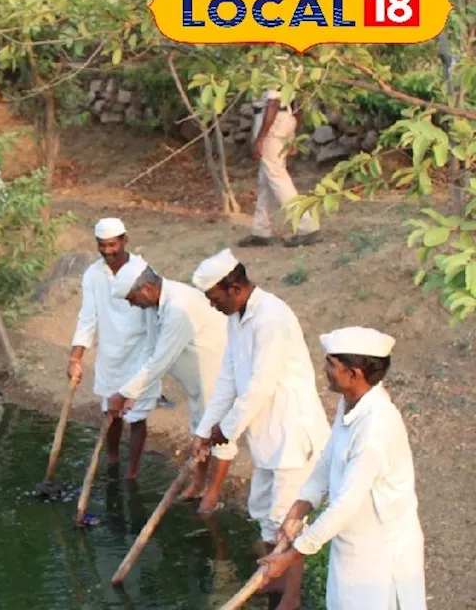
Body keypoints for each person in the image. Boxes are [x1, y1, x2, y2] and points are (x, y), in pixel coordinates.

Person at [189, 249, 331, 610]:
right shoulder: (236, 318)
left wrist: (227, 430)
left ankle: (291, 598)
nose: (212, 306)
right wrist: (205, 430)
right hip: (266, 437)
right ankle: (275, 582)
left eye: (214, 298)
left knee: (287, 519)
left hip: (291, 436)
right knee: (265, 514)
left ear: (234, 287)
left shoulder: (272, 318)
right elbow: (228, 379)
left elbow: (259, 387)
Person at [259, 327, 426, 610]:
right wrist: (299, 509)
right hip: (351, 545)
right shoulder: (349, 403)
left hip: (380, 553)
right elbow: (327, 461)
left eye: (331, 364)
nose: (324, 369)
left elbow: (346, 504)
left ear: (354, 374)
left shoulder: (376, 426)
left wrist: (291, 556)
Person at [111, 259, 237, 506]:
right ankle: (198, 484)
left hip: (216, 371)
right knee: (199, 425)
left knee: (219, 431)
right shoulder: (153, 306)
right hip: (196, 380)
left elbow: (160, 360)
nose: (131, 304)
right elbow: (150, 351)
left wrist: (122, 393)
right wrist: (132, 394)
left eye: (130, 298)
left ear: (146, 289)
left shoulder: (179, 307)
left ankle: (212, 494)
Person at [67, 218, 156, 480]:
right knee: (111, 411)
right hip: (110, 353)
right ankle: (114, 458)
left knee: (137, 416)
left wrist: (153, 357)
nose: (107, 251)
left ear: (125, 241)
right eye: (102, 245)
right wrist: (76, 356)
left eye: (112, 245)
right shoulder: (93, 274)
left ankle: (131, 473)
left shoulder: (143, 270)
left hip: (139, 352)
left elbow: (152, 315)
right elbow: (88, 317)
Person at [240, 89, 321, 248]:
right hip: (284, 118)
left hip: (272, 122)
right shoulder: (291, 68)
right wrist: (291, 134)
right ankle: (261, 230)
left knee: (277, 177)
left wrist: (260, 138)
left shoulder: (273, 68)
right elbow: (299, 102)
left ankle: (306, 227)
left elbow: (273, 104)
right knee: (266, 179)